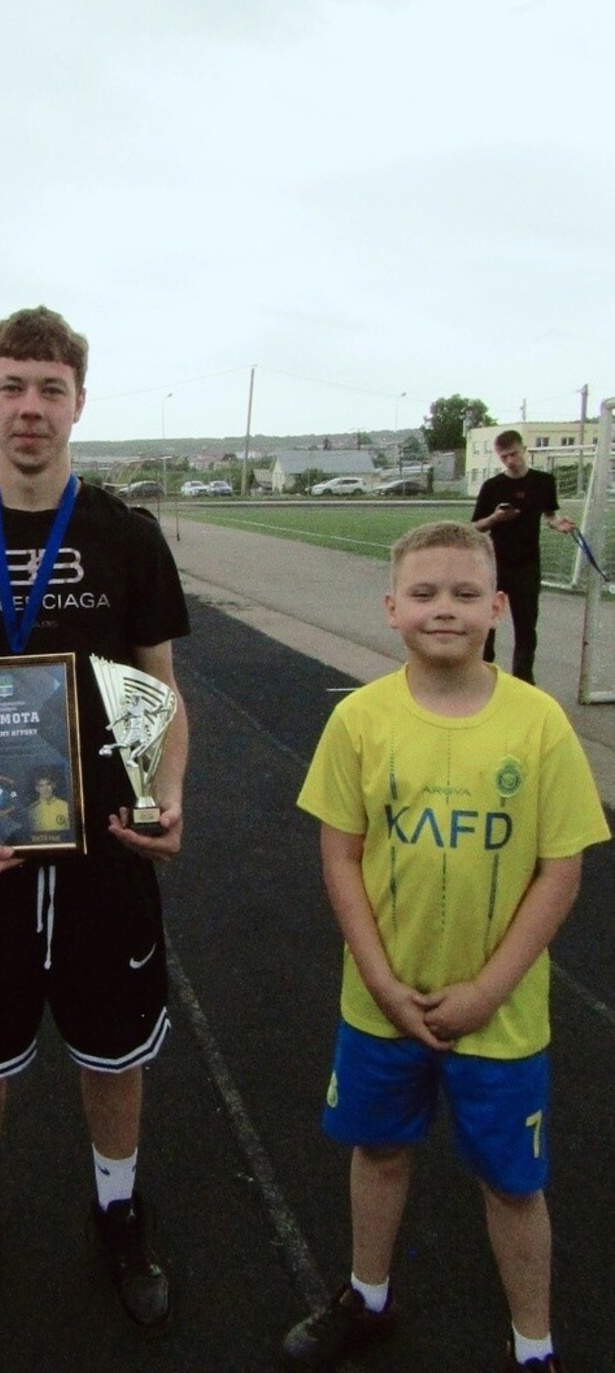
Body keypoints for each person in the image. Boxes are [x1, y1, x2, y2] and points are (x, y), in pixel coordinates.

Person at [0, 305, 190, 1350]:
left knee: (114, 1049)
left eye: (50, 389)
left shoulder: (125, 535)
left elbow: (160, 686)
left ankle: (119, 1210)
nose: (30, 407)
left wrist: (168, 792)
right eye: (11, 386)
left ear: (77, 404)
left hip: (104, 847)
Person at [281, 521, 609, 1373]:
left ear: (497, 607)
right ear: (391, 608)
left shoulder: (539, 723)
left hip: (500, 1017)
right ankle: (368, 1296)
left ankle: (533, 1345)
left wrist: (489, 990)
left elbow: (561, 871)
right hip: (381, 1004)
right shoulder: (359, 719)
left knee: (513, 1182)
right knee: (381, 1150)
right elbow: (341, 858)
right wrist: (381, 981)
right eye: (424, 593)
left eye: (465, 594)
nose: (444, 610)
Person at [472, 429, 575, 683]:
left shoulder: (544, 482)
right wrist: (496, 518)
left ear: (524, 450)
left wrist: (557, 524)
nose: (510, 461)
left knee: (526, 627)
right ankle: (482, 676)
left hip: (527, 564)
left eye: (513, 454)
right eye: (504, 457)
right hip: (496, 564)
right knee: (488, 623)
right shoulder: (492, 486)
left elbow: (550, 515)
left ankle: (523, 681)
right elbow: (476, 526)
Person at [28, 769, 70, 835]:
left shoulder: (66, 806)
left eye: (48, 784)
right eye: (41, 785)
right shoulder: (31, 810)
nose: (45, 789)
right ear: (37, 788)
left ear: (54, 785)